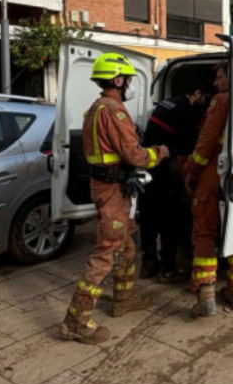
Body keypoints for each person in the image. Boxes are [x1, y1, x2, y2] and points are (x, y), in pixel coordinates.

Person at [59, 53, 169, 345]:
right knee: (104, 253)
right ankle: (76, 321)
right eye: (129, 80)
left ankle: (123, 298)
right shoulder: (115, 112)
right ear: (118, 81)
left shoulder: (95, 109)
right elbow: (135, 155)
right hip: (112, 193)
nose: (131, 85)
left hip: (106, 187)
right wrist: (159, 153)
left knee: (128, 245)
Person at [184, 63, 233, 317]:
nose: (215, 83)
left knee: (204, 232)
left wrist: (192, 167)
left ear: (231, 78)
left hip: (215, 174)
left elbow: (207, 141)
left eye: (220, 77)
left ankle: (206, 295)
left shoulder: (222, 101)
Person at [138, 87, 208, 282]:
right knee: (170, 220)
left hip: (147, 167)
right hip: (164, 169)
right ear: (196, 92)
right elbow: (185, 154)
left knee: (148, 217)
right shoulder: (186, 111)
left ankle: (148, 262)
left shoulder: (167, 102)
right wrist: (187, 184)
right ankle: (167, 269)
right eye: (203, 96)